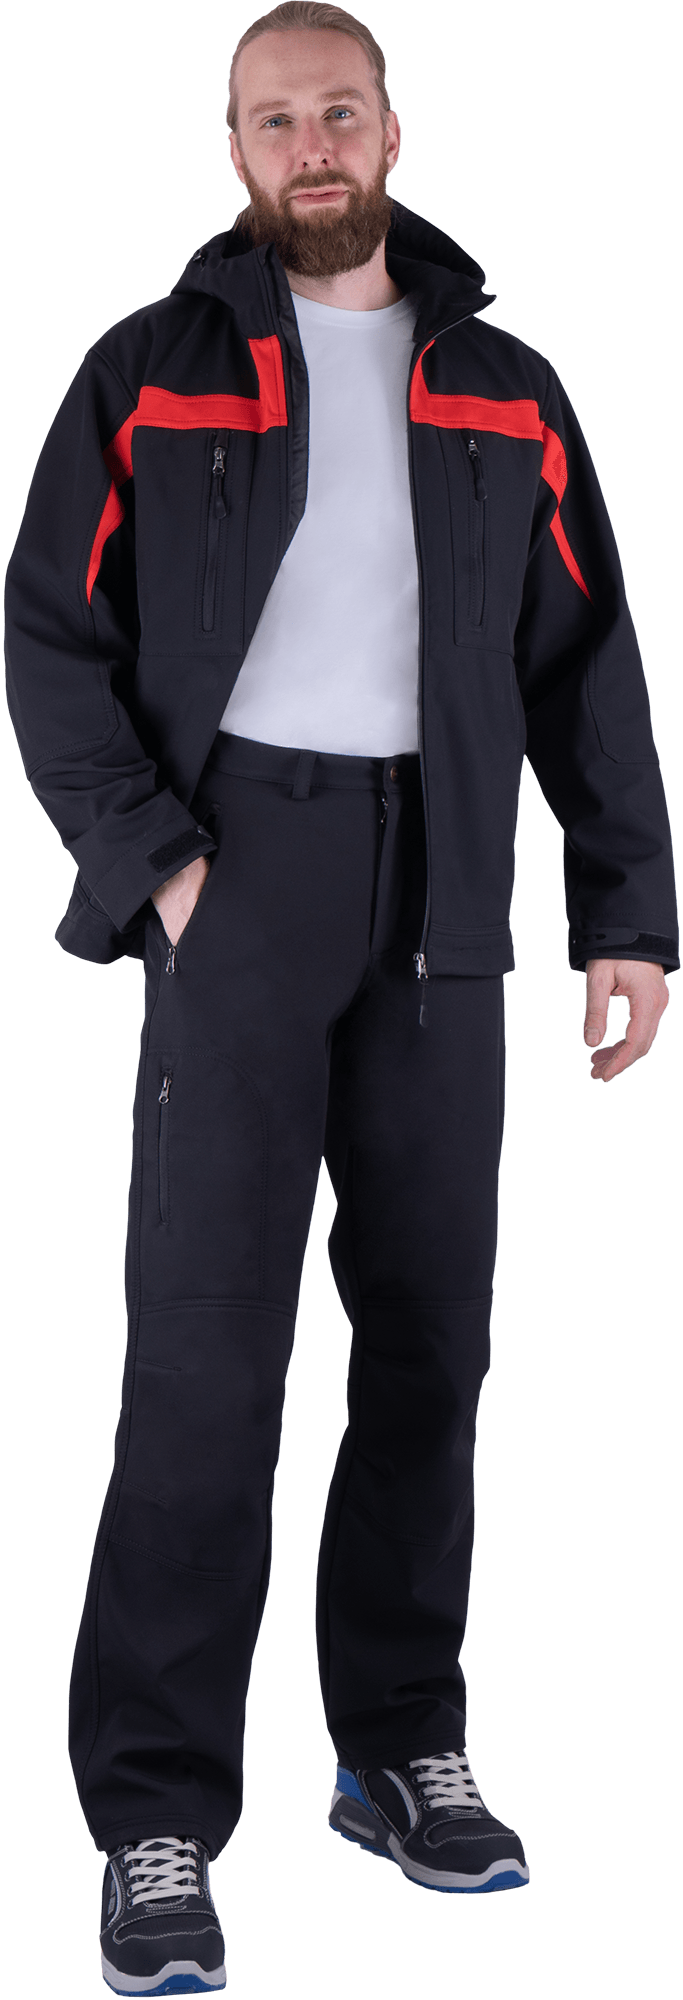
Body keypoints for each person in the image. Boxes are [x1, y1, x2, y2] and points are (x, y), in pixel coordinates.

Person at [4, 2, 678, 1982]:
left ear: (392, 131)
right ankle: (153, 1812)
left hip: (445, 891)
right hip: (239, 876)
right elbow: (47, 633)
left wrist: (625, 912)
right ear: (233, 150)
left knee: (433, 1348)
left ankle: (396, 1747)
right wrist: (158, 862)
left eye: (339, 111)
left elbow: (588, 660)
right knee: (205, 1366)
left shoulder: (507, 389)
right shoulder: (149, 367)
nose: (311, 145)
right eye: (272, 118)